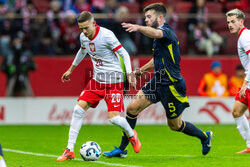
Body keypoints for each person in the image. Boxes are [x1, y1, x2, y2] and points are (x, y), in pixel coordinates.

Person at [103, 3, 213, 158]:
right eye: (145, 17)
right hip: (157, 81)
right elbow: (156, 60)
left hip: (172, 85)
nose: (146, 20)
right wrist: (140, 71)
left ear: (160, 17)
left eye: (149, 17)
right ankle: (122, 149)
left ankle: (204, 136)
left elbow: (155, 33)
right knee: (132, 109)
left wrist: (139, 28)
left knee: (175, 125)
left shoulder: (166, 32)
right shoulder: (158, 39)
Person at [56, 11, 141, 161]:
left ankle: (131, 134)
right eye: (81, 28)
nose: (84, 31)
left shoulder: (106, 35)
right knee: (77, 110)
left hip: (114, 79)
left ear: (94, 24)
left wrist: (129, 73)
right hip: (97, 80)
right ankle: (69, 150)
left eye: (86, 28)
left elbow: (124, 53)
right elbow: (82, 52)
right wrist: (70, 69)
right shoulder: (83, 37)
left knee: (114, 119)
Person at [226, 8, 250, 153]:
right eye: (228, 22)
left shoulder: (245, 37)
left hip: (249, 82)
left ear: (241, 21)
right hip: (249, 81)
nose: (230, 24)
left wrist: (245, 83)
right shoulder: (243, 36)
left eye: (233, 21)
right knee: (237, 111)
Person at [0, 32, 36, 96]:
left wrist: (26, 67)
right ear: (12, 41)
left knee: (28, 97)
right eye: (15, 40)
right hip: (11, 79)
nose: (17, 42)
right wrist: (9, 69)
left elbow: (34, 66)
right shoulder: (8, 52)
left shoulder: (26, 52)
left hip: (24, 79)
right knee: (8, 97)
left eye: (19, 40)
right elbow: (2, 67)